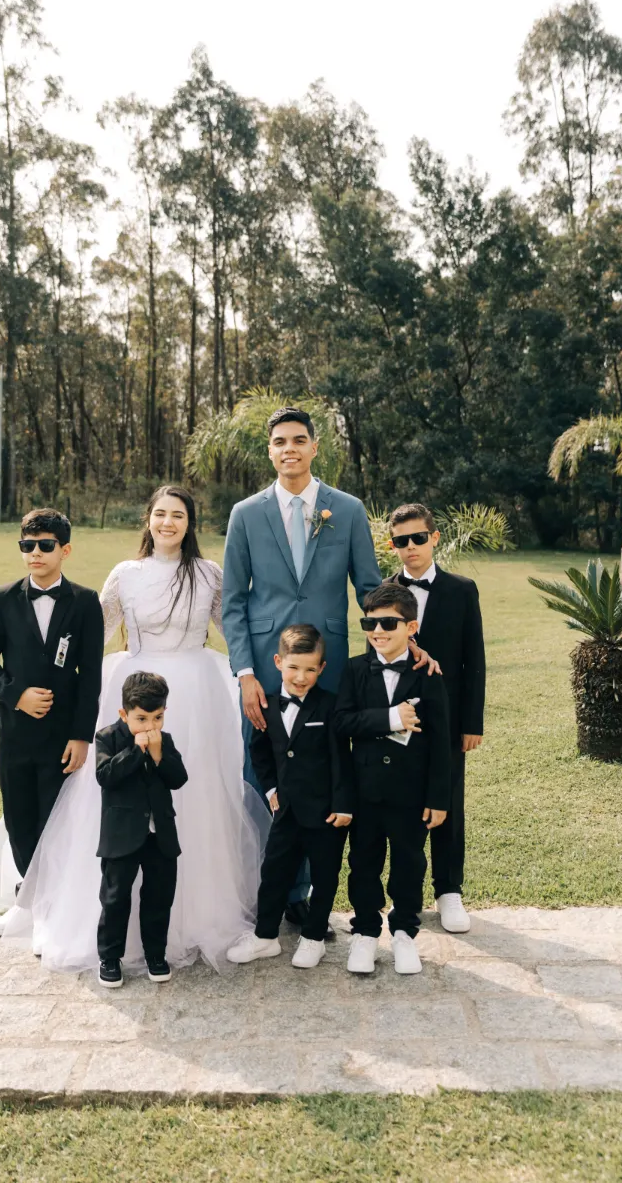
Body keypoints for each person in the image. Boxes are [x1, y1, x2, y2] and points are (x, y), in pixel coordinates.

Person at [0, 485, 269, 973]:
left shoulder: (207, 574)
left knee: (193, 795)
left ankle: (195, 909)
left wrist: (258, 669)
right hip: (132, 683)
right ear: (148, 519)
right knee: (114, 793)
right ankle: (69, 908)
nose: (167, 523)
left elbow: (234, 626)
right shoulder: (126, 574)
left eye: (177, 515)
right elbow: (88, 632)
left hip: (196, 691)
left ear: (190, 522)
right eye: (160, 514)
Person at [222, 406, 381, 931]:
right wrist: (245, 672)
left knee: (324, 772)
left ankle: (312, 893)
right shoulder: (246, 514)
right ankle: (275, 884)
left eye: (298, 440)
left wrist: (401, 638)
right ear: (269, 451)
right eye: (279, 442)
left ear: (315, 447)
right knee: (266, 771)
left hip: (327, 667)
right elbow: (233, 602)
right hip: (267, 671)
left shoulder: (348, 510)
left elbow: (370, 586)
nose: (288, 449)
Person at [0, 507, 104, 936]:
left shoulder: (85, 602)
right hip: (13, 734)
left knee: (55, 819)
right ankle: (26, 904)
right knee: (19, 817)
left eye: (45, 546)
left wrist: (81, 736)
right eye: (27, 546)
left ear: (64, 550)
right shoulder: (5, 596)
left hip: (61, 737)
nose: (35, 553)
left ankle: (54, 908)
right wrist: (16, 695)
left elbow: (91, 677)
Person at [334, 582, 451, 976]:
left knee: (409, 864)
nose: (378, 631)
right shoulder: (353, 669)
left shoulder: (428, 673)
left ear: (411, 627)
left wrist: (438, 797)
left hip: (411, 793)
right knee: (363, 863)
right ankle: (365, 933)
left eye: (388, 622)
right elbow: (341, 723)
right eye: (370, 622)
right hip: (365, 792)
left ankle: (404, 933)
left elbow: (440, 740)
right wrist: (388, 719)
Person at [227, 625, 353, 971]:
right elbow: (260, 753)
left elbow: (343, 759)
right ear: (279, 662)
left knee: (325, 876)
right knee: (274, 872)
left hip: (326, 813)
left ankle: (313, 939)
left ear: (322, 669)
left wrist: (343, 805)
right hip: (285, 813)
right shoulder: (266, 704)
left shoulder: (329, 706)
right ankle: (265, 936)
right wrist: (270, 792)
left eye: (311, 669)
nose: (301, 677)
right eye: (294, 667)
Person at [386, 503, 486, 934]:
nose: (410, 548)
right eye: (401, 541)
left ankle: (449, 891)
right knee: (405, 803)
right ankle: (404, 894)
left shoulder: (462, 590)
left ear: (434, 538)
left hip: (447, 718)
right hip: (400, 719)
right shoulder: (383, 592)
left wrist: (472, 722)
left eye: (418, 538)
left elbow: (474, 661)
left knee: (448, 801)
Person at [96, 672, 188, 988]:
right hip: (121, 835)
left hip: (160, 834)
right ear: (124, 714)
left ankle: (156, 955)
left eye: (158, 717)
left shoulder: (166, 741)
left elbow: (178, 779)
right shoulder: (108, 737)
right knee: (115, 897)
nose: (150, 726)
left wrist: (159, 753)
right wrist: (136, 751)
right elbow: (105, 775)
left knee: (159, 896)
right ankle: (109, 957)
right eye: (142, 718)